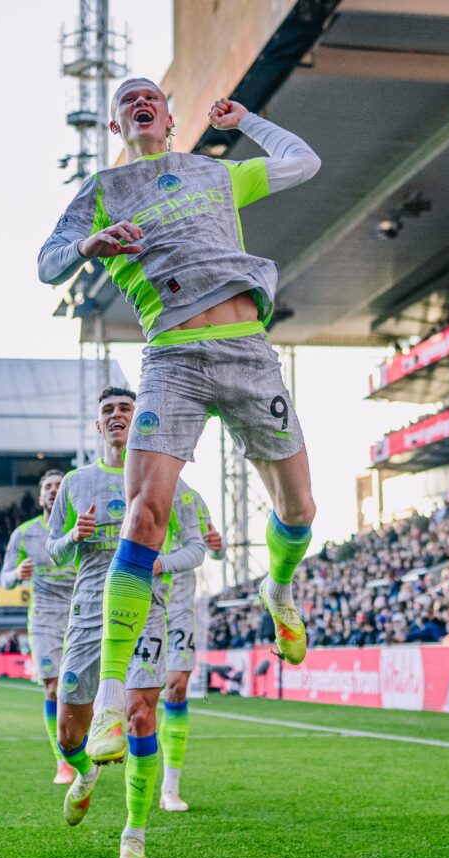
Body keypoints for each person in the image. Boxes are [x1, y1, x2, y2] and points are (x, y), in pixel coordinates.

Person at [39, 78, 320, 766]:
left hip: (247, 349)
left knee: (300, 510)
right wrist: (89, 245)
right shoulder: (101, 191)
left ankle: (277, 588)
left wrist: (246, 118)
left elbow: (304, 162)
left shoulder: (215, 173)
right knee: (142, 516)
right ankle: (110, 704)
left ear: (170, 116)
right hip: (170, 355)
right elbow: (46, 263)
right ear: (115, 125)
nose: (140, 102)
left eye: (151, 97)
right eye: (126, 100)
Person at [46, 386, 204, 858]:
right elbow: (54, 550)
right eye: (108, 411)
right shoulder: (75, 483)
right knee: (69, 734)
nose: (117, 416)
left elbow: (196, 548)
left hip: (146, 610)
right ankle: (85, 774)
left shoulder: (168, 482)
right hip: (89, 611)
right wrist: (75, 535)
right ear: (98, 426)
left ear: (140, 422)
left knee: (140, 715)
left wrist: (160, 565)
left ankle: (134, 833)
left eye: (126, 410)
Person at [0, 469, 76, 785]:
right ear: (39, 496)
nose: (53, 490)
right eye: (48, 486)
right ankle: (63, 761)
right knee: (53, 687)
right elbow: (3, 580)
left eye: (59, 486)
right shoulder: (24, 533)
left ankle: (82, 744)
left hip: (81, 615)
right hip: (43, 619)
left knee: (81, 689)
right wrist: (17, 572)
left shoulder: (80, 527)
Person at [160, 488, 225, 813]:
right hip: (141, 599)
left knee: (177, 687)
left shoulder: (191, 497)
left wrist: (218, 546)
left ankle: (170, 787)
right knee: (137, 701)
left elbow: (213, 546)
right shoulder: (135, 481)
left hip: (182, 604)